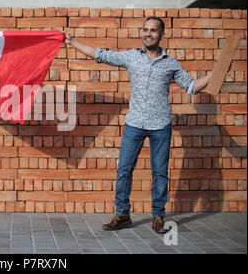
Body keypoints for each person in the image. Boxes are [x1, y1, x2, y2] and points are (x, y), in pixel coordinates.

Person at [64, 17, 213, 233]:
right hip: (134, 124)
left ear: (162, 35)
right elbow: (101, 55)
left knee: (160, 172)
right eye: (145, 30)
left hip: (160, 125)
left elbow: (191, 86)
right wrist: (73, 41)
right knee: (124, 170)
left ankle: (159, 217)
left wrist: (212, 75)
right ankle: (122, 215)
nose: (148, 34)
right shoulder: (132, 57)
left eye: (153, 30)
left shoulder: (171, 63)